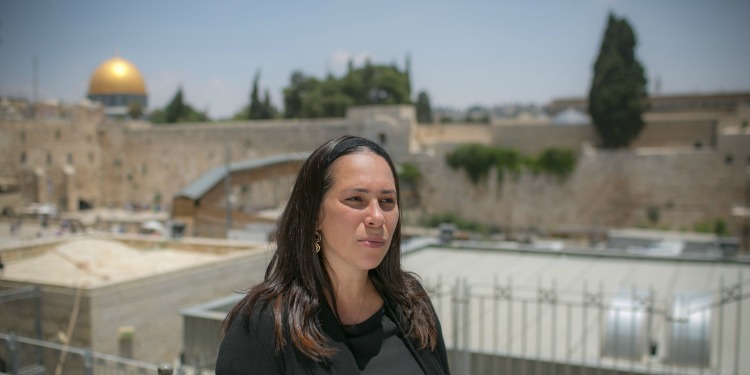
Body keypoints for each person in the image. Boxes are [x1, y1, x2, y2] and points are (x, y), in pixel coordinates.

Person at [216, 135, 449, 374]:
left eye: (387, 200)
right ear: (315, 214)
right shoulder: (262, 328)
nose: (377, 217)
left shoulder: (412, 305)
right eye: (356, 199)